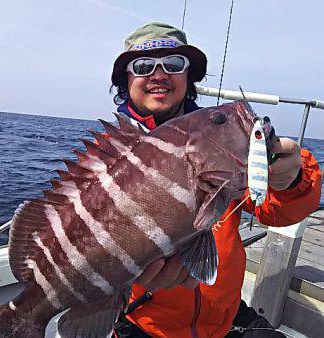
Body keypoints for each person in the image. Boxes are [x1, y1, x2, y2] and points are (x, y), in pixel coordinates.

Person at [109, 22, 322, 338]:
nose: (158, 74)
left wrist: (289, 180)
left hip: (225, 318)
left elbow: (277, 213)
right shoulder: (111, 156)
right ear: (126, 80)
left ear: (188, 77)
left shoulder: (220, 142)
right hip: (144, 322)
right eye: (142, 66)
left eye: (173, 64)